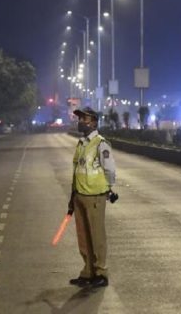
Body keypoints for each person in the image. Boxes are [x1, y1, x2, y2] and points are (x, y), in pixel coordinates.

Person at [68, 107, 116, 288]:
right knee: (83, 237)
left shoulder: (100, 144)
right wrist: (72, 195)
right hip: (80, 195)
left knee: (96, 236)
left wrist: (109, 189)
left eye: (84, 118)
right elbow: (76, 171)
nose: (80, 121)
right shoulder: (81, 144)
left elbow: (110, 169)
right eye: (79, 118)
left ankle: (101, 272)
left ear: (94, 122)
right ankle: (88, 271)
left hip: (95, 196)